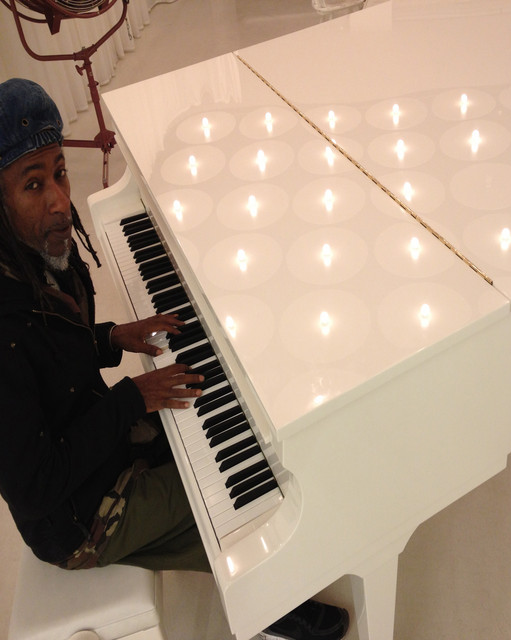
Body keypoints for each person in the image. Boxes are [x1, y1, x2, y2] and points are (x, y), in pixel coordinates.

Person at [0, 77, 349, 640]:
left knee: (219, 418)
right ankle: (270, 605)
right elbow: (35, 487)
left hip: (96, 445)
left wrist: (113, 337)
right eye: (32, 184)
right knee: (233, 489)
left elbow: (56, 359)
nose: (60, 200)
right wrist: (131, 398)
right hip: (76, 518)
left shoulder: (34, 255)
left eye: (60, 172)